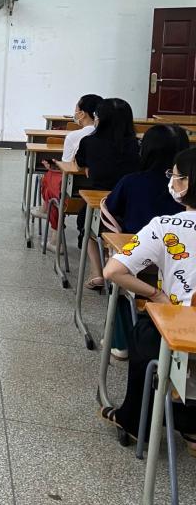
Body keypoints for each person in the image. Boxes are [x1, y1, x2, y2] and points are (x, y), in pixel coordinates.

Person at [100, 148, 196, 452]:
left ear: (187, 183)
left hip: (182, 337)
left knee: (144, 330)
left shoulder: (166, 226)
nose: (171, 181)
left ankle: (134, 419)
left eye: (175, 176)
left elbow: (112, 271)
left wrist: (155, 295)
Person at [102, 123, 189, 359]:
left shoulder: (131, 182)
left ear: (146, 150)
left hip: (138, 269)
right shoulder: (186, 194)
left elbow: (110, 209)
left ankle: (121, 342)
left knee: (118, 282)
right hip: (179, 273)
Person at [66, 97, 140, 289]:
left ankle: (97, 272)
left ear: (100, 119)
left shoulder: (89, 142)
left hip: (102, 205)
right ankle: (116, 263)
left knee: (87, 222)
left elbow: (78, 165)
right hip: (132, 205)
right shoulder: (137, 145)